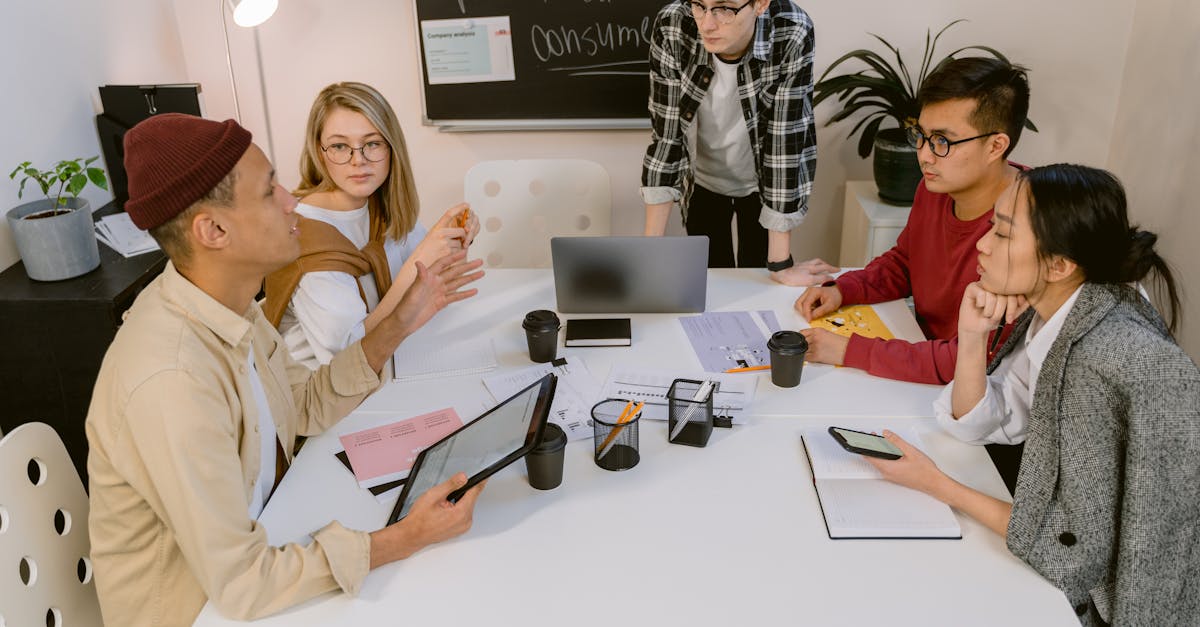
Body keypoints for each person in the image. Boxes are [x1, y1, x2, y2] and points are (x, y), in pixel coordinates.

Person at [86, 113, 487, 626]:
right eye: (268, 190)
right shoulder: (173, 379)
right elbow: (242, 585)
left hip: (271, 534)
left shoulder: (232, 306)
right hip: (201, 612)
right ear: (212, 230)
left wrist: (400, 322)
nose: (290, 201)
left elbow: (302, 407)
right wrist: (404, 537)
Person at [864, 164, 1200, 626]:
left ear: (1059, 264)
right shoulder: (1062, 309)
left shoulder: (1099, 357)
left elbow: (1070, 550)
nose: (982, 244)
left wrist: (936, 484)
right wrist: (972, 334)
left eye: (1001, 234)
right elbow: (989, 419)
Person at [795, 57, 1031, 384]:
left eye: (942, 141)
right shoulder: (934, 186)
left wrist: (849, 350)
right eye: (920, 134)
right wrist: (843, 289)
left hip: (968, 397)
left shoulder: (1028, 225)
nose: (924, 154)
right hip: (917, 351)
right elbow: (907, 262)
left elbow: (967, 361)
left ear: (995, 146)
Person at [263, 82, 481, 371]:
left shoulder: (380, 205)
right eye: (340, 146)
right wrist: (419, 261)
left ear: (392, 148)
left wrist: (451, 238)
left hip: (392, 361)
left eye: (373, 143)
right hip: (321, 392)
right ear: (320, 151)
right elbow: (348, 356)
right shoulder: (303, 234)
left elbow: (433, 286)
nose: (358, 160)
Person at [641, 0, 836, 285]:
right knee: (708, 283)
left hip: (761, 182)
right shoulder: (674, 24)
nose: (707, 24)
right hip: (702, 179)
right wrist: (647, 255)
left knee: (758, 281)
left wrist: (780, 265)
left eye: (725, 9)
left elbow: (785, 142)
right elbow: (666, 137)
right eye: (699, 5)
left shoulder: (791, 29)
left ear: (760, 4)